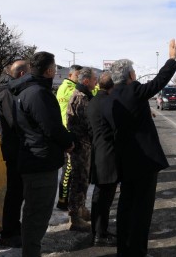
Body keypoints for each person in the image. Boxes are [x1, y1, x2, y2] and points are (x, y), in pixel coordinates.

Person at [111, 39, 176, 257]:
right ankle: (138, 251)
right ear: (130, 75)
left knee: (125, 206)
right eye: (134, 72)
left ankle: (124, 249)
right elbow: (159, 81)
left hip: (123, 161)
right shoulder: (134, 91)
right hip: (143, 163)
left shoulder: (110, 96)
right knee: (142, 210)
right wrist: (171, 59)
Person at [10, 52, 74, 257]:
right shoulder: (37, 93)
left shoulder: (29, 90)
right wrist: (69, 143)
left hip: (35, 159)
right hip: (40, 162)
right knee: (37, 214)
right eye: (54, 67)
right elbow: (52, 127)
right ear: (48, 70)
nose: (56, 71)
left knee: (34, 213)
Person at [0, 59, 29, 248]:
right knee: (15, 193)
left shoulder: (7, 89)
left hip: (15, 148)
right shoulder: (7, 92)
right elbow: (14, 122)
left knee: (17, 192)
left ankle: (13, 228)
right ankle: (8, 232)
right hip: (14, 149)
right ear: (21, 74)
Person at [86, 71, 117, 247]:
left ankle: (99, 231)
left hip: (98, 152)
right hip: (108, 155)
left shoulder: (93, 101)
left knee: (100, 196)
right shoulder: (108, 102)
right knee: (104, 199)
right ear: (112, 87)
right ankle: (100, 234)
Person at [66, 67, 97, 232]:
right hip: (80, 145)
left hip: (83, 144)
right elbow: (89, 122)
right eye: (94, 79)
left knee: (83, 179)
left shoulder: (83, 95)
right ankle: (75, 216)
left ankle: (81, 209)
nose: (96, 81)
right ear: (86, 81)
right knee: (79, 180)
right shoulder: (81, 97)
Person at [55, 64, 82, 211]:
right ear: (71, 75)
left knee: (71, 170)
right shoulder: (68, 88)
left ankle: (66, 199)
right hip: (68, 133)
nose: (79, 78)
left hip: (70, 132)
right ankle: (62, 200)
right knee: (68, 170)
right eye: (78, 75)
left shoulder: (70, 86)